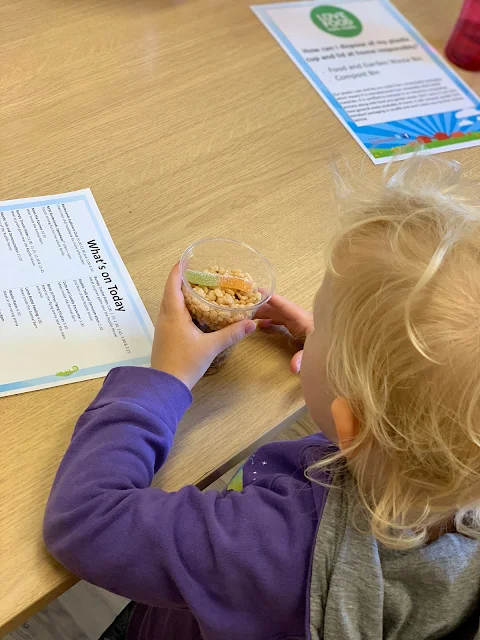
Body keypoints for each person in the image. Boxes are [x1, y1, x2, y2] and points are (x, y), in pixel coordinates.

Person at [44, 156, 480, 640]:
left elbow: (85, 520)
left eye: (323, 324)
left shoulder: (274, 548)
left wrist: (165, 378)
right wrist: (346, 359)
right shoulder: (447, 472)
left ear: (352, 424)